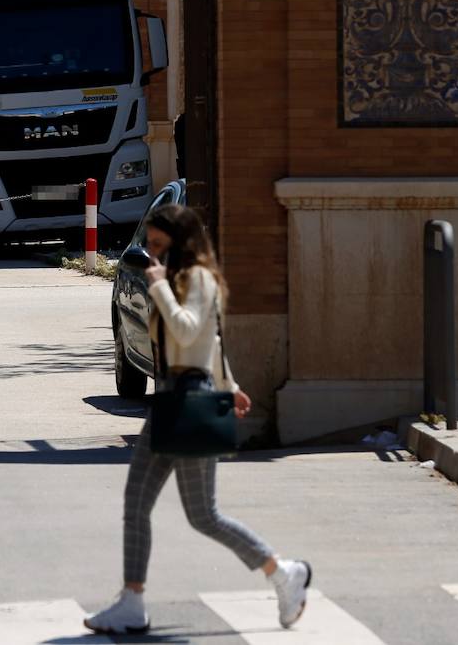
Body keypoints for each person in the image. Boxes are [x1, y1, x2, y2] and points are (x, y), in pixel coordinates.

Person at [84, 204, 311, 635]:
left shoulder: (199, 280)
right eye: (148, 245)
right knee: (137, 502)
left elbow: (192, 332)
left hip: (189, 402)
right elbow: (210, 342)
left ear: (179, 241)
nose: (150, 253)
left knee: (203, 514)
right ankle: (132, 600)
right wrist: (232, 383)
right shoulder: (173, 279)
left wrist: (159, 291)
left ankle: (283, 572)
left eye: (157, 244)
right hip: (170, 400)